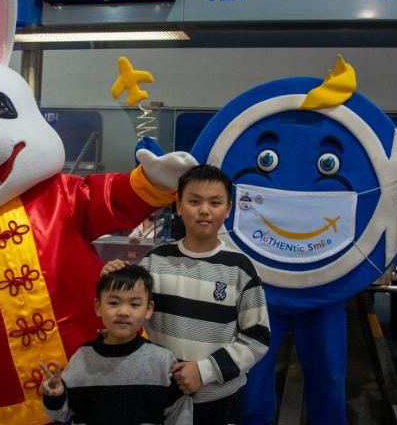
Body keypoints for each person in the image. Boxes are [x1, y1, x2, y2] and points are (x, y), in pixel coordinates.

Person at [103, 164, 271, 425]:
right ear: (179, 206)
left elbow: (257, 338)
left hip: (219, 400)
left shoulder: (240, 268)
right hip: (160, 396)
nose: (204, 210)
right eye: (194, 201)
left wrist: (204, 371)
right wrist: (113, 281)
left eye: (215, 202)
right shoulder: (154, 262)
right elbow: (128, 315)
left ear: (228, 209)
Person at [41, 265, 192, 425]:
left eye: (134, 304)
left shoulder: (163, 361)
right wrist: (55, 395)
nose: (123, 312)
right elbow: (60, 414)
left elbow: (179, 415)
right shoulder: (82, 358)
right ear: (98, 306)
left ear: (148, 309)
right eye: (114, 303)